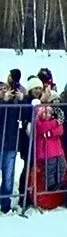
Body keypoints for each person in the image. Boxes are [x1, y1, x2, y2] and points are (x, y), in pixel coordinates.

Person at [0, 84, 22, 214]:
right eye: (0, 90)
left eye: (5, 89)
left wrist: (21, 100)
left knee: (8, 177)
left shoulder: (14, 105)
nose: (3, 92)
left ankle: (5, 204)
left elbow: (25, 115)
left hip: (10, 145)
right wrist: (4, 103)